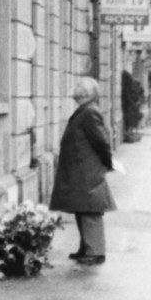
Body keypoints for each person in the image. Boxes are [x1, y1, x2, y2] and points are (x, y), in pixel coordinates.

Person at [51, 78, 115, 265]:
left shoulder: (89, 112)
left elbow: (101, 141)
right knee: (81, 208)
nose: (75, 87)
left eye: (79, 86)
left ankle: (96, 251)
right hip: (81, 170)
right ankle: (86, 247)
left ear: (87, 93)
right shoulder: (85, 110)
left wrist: (107, 162)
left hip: (87, 170)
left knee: (90, 210)